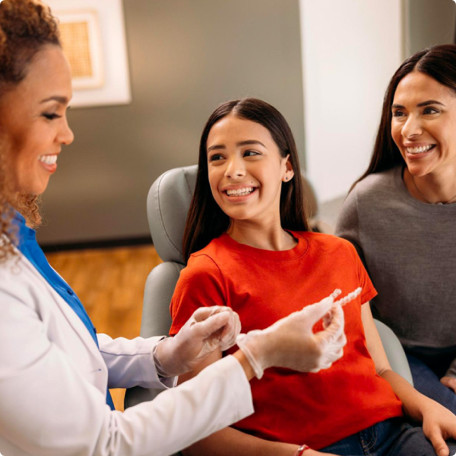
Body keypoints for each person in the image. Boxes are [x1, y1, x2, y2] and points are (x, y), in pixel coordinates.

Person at [0, 1, 348, 455]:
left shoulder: (14, 239)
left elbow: (65, 354)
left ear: (287, 167)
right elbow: (105, 443)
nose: (67, 134)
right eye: (50, 113)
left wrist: (164, 354)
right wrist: (257, 357)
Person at [169, 97, 456, 456]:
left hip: (393, 435)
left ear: (287, 167)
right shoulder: (206, 275)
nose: (232, 170)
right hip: (296, 450)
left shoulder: (339, 253)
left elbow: (381, 370)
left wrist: (426, 406)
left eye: (251, 152)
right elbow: (196, 433)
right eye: (217, 157)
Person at [335, 44, 456, 415]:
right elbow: (342, 305)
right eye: (399, 113)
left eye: (430, 110)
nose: (409, 130)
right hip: (395, 355)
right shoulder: (365, 204)